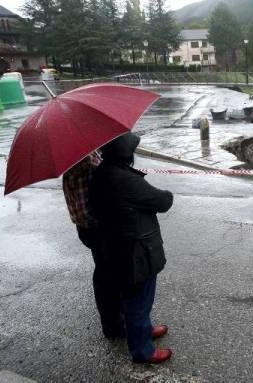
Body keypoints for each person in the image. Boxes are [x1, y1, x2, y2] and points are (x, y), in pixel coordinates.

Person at [89, 133, 174, 364]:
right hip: (135, 253)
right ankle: (143, 351)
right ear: (126, 153)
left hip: (116, 248)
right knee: (139, 301)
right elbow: (163, 201)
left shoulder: (101, 173)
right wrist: (166, 193)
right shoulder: (122, 178)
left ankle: (143, 330)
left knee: (132, 298)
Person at [63, 151, 125, 339]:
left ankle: (118, 317)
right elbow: (83, 213)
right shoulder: (81, 165)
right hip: (96, 230)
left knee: (110, 272)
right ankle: (113, 326)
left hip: (92, 228)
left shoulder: (85, 158)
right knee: (106, 276)